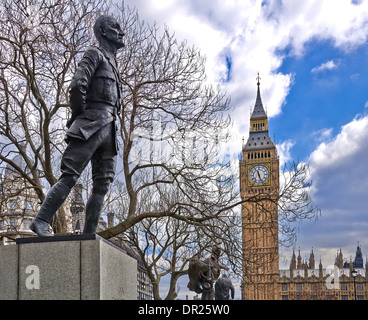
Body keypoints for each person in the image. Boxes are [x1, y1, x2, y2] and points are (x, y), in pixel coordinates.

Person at [30, 15, 124, 236]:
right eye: (116, 27)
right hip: (90, 124)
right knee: (70, 175)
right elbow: (77, 86)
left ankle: (89, 235)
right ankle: (41, 221)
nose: (121, 32)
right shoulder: (95, 54)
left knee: (101, 187)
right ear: (102, 31)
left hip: (109, 130)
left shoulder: (114, 64)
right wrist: (81, 117)